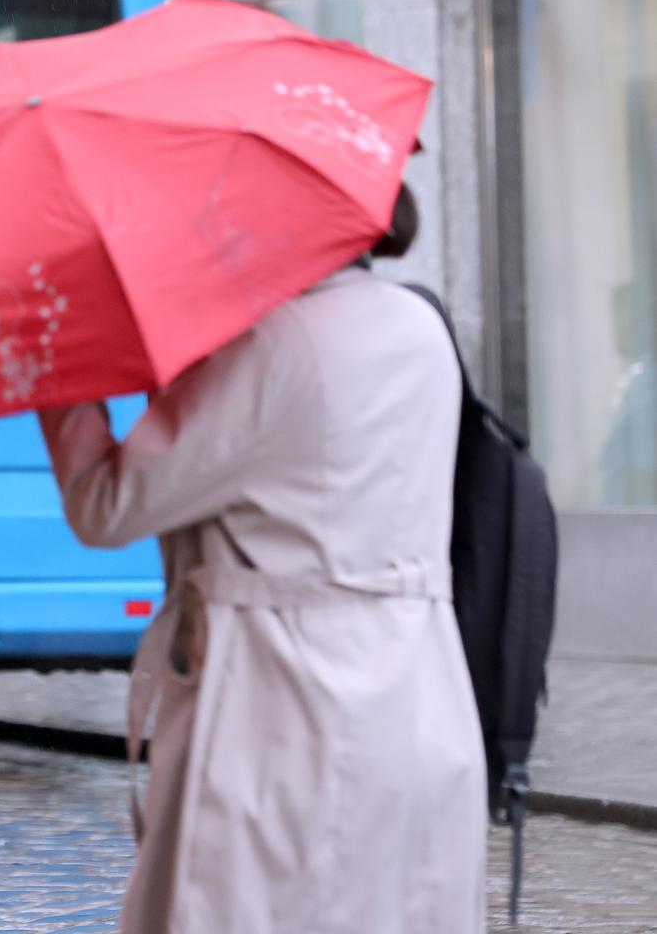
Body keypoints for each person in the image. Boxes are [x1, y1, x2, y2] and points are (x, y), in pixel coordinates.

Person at [37, 186, 487, 934]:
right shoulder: (418, 327)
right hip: (417, 698)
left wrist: (58, 371)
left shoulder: (270, 345)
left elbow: (106, 505)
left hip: (279, 712)